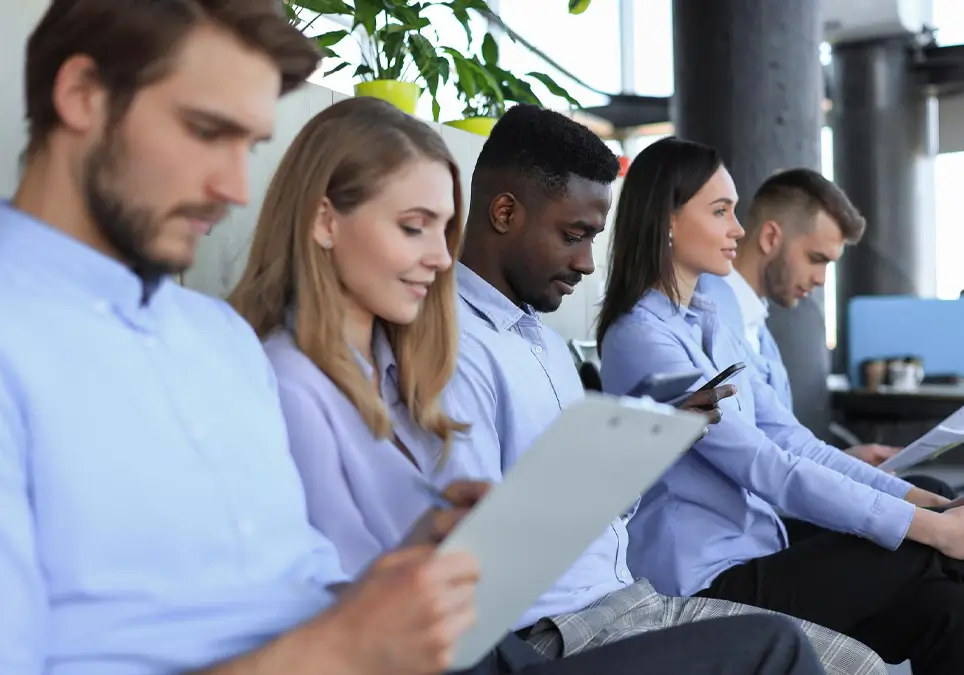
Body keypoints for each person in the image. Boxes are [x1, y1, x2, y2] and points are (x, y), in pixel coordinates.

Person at [0, 3, 828, 674]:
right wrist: (344, 640)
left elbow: (299, 582)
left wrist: (423, 554)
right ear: (83, 95)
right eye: (204, 130)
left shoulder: (213, 339)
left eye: (248, 146)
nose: (231, 186)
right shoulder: (39, 339)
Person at [226, 94, 830, 675]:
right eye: (415, 228)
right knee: (777, 646)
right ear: (326, 221)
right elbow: (345, 593)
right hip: (485, 646)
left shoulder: (384, 366)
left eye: (444, 229)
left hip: (498, 639)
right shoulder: (296, 382)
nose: (442, 257)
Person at [596, 136, 964, 675]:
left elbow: (793, 441)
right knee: (933, 541)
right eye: (721, 211)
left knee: (956, 608)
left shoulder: (710, 324)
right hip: (704, 578)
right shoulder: (640, 338)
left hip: (759, 546)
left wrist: (924, 500)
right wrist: (935, 524)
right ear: (667, 218)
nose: (738, 227)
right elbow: (764, 465)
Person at [444, 105, 888, 675]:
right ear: (504, 212)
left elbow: (598, 514)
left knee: (864, 667)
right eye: (573, 235)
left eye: (593, 239)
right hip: (557, 628)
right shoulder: (456, 348)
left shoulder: (546, 345)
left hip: (629, 595)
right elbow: (482, 549)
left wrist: (646, 446)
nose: (585, 262)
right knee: (801, 651)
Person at [693, 168, 957, 504]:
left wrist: (845, 462)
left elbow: (775, 440)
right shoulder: (710, 318)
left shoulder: (755, 324)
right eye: (816, 259)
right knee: (933, 504)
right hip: (748, 523)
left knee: (933, 497)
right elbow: (757, 461)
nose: (820, 279)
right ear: (771, 238)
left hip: (772, 508)